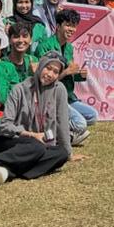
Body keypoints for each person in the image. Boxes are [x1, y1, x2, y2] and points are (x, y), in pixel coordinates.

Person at [0, 52, 75, 177]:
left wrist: (69, 153)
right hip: (15, 141)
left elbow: (62, 122)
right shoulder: (19, 89)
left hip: (42, 144)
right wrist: (31, 135)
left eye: (55, 72)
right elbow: (5, 125)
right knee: (36, 147)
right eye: (48, 68)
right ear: (40, 66)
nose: (50, 74)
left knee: (61, 153)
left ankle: (11, 171)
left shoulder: (59, 89)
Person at [34, 8, 96, 142]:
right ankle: (62, 135)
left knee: (92, 116)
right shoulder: (44, 47)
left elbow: (69, 74)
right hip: (50, 95)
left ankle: (63, 129)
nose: (71, 29)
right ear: (58, 26)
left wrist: (80, 75)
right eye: (68, 25)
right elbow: (43, 80)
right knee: (80, 124)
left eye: (74, 26)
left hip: (68, 96)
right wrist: (66, 72)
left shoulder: (69, 48)